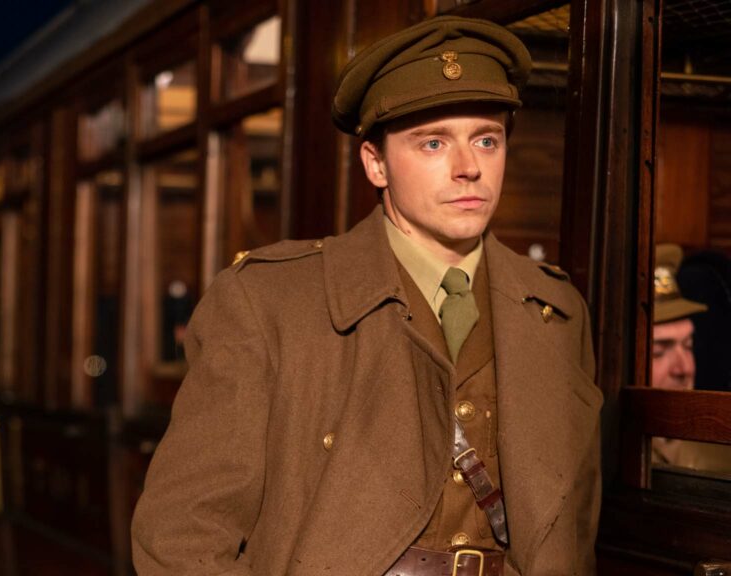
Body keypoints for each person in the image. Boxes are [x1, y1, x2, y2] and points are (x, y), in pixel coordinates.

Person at [132, 16, 602, 575]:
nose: (468, 167)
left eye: (486, 139)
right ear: (375, 163)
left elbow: (574, 532)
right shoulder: (270, 302)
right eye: (433, 142)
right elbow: (180, 537)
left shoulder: (556, 313)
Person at [650, 244, 731, 475]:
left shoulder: (717, 459)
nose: (684, 368)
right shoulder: (608, 457)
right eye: (659, 351)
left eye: (688, 345)